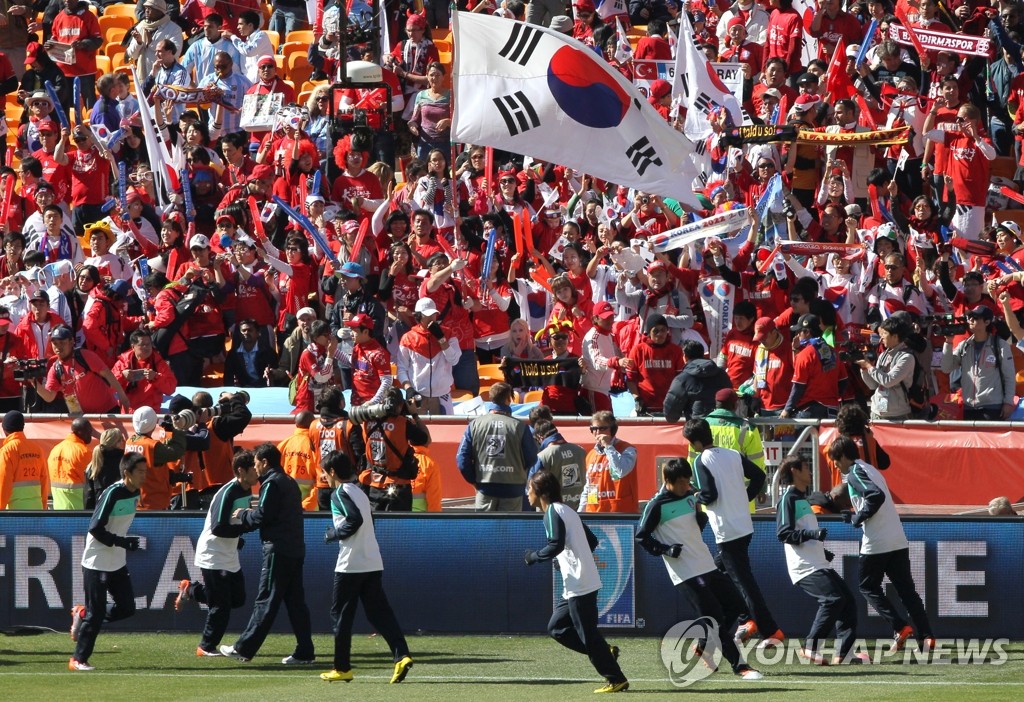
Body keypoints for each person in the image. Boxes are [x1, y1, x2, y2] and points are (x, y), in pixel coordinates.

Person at [636, 458, 764, 680]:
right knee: (714, 618)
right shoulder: (656, 505)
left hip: (706, 564)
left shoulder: (689, 495)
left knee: (737, 605)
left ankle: (704, 645)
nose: (688, 486)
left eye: (688, 481)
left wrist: (699, 515)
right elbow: (641, 537)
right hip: (686, 573)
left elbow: (696, 523)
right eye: (683, 482)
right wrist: (665, 549)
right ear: (668, 481)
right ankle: (741, 667)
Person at [524, 470, 629, 694]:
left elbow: (555, 544)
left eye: (529, 489)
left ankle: (616, 679)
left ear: (540, 492)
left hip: (580, 585)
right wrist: (566, 561)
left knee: (589, 637)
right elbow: (590, 540)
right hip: (576, 585)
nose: (527, 494)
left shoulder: (552, 511)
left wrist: (533, 557)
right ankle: (606, 651)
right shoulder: (566, 510)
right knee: (557, 628)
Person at [828, 436, 936, 653]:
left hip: (877, 541)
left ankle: (899, 627)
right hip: (896, 536)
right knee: (907, 591)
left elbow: (875, 496)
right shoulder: (870, 468)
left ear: (843, 456)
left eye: (836, 460)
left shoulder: (855, 472)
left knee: (867, 586)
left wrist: (858, 518)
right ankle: (926, 637)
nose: (836, 465)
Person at [683, 418, 781, 648]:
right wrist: (744, 497)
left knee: (744, 584)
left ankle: (768, 629)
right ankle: (730, 628)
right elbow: (759, 476)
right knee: (716, 576)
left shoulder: (700, 460)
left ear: (695, 442)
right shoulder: (731, 453)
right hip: (743, 525)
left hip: (727, 531)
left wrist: (695, 497)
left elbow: (710, 494)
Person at [319, 451, 414, 684]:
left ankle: (342, 668)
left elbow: (354, 520)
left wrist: (333, 534)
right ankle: (401, 655)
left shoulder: (339, 493)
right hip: (372, 560)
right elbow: (368, 520)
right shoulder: (359, 491)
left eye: (325, 472)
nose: (324, 477)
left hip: (351, 564)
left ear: (332, 472)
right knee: (378, 613)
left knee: (340, 614)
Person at [221, 443, 316, 665]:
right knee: (295, 603)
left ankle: (243, 647)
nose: (255, 468)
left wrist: (243, 515)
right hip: (294, 549)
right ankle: (305, 651)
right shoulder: (289, 481)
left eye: (256, 463)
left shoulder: (271, 483)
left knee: (266, 599)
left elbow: (263, 516)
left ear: (264, 462)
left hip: (278, 550)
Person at [776, 455, 863, 665]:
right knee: (832, 600)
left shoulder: (801, 499)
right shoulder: (788, 499)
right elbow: (783, 534)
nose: (810, 471)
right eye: (806, 467)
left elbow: (802, 531)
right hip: (804, 567)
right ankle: (811, 646)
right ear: (795, 471)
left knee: (847, 602)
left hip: (817, 562)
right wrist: (812, 536)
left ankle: (844, 655)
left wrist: (822, 552)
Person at [174, 450, 261, 656]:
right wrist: (244, 529)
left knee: (238, 599)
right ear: (241, 471)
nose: (257, 472)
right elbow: (218, 527)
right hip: (213, 554)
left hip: (229, 553)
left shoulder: (246, 490)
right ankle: (205, 646)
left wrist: (239, 535)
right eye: (253, 469)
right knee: (220, 605)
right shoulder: (228, 492)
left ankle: (191, 590)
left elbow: (234, 521)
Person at [69, 452, 147, 671]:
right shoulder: (111, 493)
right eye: (140, 472)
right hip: (97, 561)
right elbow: (95, 528)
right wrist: (121, 542)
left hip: (117, 561)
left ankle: (81, 614)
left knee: (127, 608)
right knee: (97, 614)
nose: (144, 476)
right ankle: (78, 660)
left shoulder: (135, 492)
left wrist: (122, 544)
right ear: (126, 473)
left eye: (145, 472)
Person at [457, 382, 538, 511]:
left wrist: (475, 481)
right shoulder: (520, 427)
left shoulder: (475, 425)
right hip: (513, 489)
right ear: (509, 399)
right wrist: (518, 470)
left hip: (484, 487)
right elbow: (532, 457)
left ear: (490, 398)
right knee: (509, 530)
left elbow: (462, 458)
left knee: (484, 530)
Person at [353, 387, 429, 512]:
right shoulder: (403, 423)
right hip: (398, 486)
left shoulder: (367, 421)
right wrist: (414, 414)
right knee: (398, 529)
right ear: (400, 405)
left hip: (372, 484)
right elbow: (424, 439)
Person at [687, 389, 766, 509]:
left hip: (707, 501)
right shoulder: (747, 428)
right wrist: (761, 489)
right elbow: (757, 463)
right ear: (735, 405)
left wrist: (695, 491)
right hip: (739, 500)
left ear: (716, 404)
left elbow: (692, 462)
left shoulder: (700, 426)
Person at [33, 325, 130, 415]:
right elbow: (49, 397)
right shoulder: (55, 368)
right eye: (55, 343)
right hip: (83, 417)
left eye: (62, 342)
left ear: (72, 342)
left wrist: (122, 395)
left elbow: (108, 374)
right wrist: (33, 381)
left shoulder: (84, 355)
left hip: (108, 411)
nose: (58, 347)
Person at [940, 305, 1016, 420]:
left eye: (975, 317)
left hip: (992, 407)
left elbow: (1009, 377)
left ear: (987, 322)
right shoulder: (964, 345)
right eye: (970, 317)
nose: (970, 320)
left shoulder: (1000, 345)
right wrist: (948, 342)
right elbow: (946, 368)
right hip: (969, 407)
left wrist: (1008, 402)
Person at [396, 298, 460, 415]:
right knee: (418, 432)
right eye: (428, 315)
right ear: (419, 316)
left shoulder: (448, 334)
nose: (432, 318)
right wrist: (408, 388)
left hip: (442, 395)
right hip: (418, 395)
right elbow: (401, 368)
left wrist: (441, 339)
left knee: (445, 432)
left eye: (434, 314)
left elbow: (454, 360)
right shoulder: (408, 338)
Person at [781, 314, 846, 419]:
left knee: (800, 435)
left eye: (799, 332)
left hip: (809, 410)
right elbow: (843, 381)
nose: (796, 335)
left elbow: (798, 387)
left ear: (807, 332)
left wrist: (786, 410)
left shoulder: (804, 355)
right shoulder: (833, 352)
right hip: (832, 411)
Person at [125, 406, 188, 511]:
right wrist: (178, 429)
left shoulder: (130, 441)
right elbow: (177, 451)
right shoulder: (152, 446)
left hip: (136, 502)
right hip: (154, 503)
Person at [855, 316, 916, 421]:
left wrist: (869, 366)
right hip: (877, 411)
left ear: (895, 336)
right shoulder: (883, 355)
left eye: (884, 334)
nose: (881, 338)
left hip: (897, 414)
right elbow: (873, 385)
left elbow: (888, 381)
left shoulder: (906, 357)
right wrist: (864, 368)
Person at [580, 411, 637, 513]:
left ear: (613, 430)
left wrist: (608, 446)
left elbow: (621, 471)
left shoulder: (627, 449)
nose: (597, 432)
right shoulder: (591, 455)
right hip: (595, 513)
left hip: (621, 513)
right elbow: (590, 486)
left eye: (602, 428)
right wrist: (581, 513)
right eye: (593, 429)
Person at [663, 340, 733, 422]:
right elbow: (731, 399)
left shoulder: (682, 379)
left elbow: (671, 415)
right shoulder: (722, 374)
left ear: (685, 357)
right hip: (723, 427)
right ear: (702, 354)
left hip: (698, 428)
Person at [111, 329, 178, 413]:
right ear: (133, 346)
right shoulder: (123, 362)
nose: (146, 347)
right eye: (142, 345)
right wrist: (122, 376)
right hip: (128, 412)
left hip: (151, 412)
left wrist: (156, 377)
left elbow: (171, 389)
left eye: (148, 344)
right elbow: (109, 387)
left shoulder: (159, 363)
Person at [530, 418, 586, 508]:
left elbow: (532, 487)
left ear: (540, 437)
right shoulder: (580, 450)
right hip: (581, 508)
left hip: (553, 511)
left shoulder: (542, 456)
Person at [0, 410, 47, 510]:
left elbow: (4, 483)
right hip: (37, 511)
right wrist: (44, 508)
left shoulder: (7, 451)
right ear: (22, 427)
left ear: (4, 430)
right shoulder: (37, 450)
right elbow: (44, 480)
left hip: (15, 513)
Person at [47, 417, 93, 510]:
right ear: (80, 432)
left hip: (58, 508)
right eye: (89, 431)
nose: (91, 435)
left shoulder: (55, 449)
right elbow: (91, 481)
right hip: (77, 510)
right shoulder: (83, 452)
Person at [85, 428, 124, 510]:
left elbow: (89, 497)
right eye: (121, 439)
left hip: (100, 512)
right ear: (117, 443)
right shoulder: (124, 463)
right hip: (121, 511)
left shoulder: (92, 466)